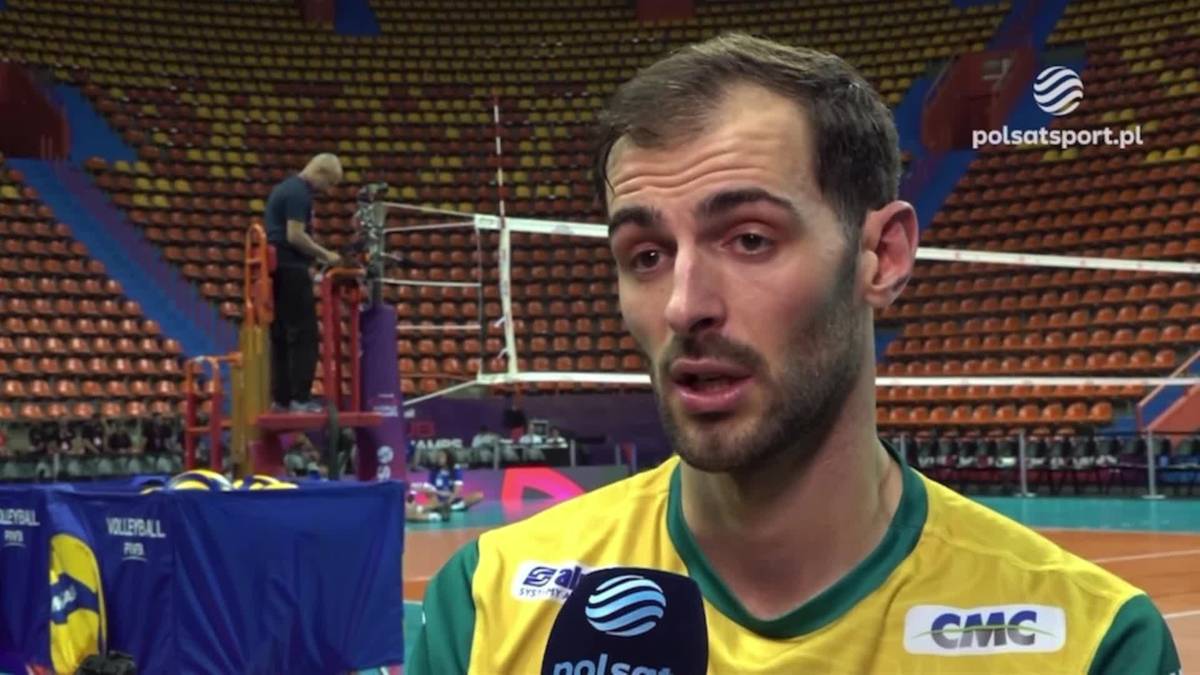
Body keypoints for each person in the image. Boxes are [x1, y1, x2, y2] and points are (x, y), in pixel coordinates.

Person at [409, 34, 1179, 674]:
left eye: (750, 239)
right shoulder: (484, 603)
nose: (683, 304)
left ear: (881, 256)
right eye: (646, 254)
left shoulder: (1096, 643)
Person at [265, 153, 344, 414]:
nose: (328, 190)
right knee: (305, 334)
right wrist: (326, 255)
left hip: (276, 269)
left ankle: (281, 399)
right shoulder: (299, 193)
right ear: (320, 172)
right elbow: (295, 236)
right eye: (329, 183)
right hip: (290, 268)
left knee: (281, 335)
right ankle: (300, 398)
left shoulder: (284, 189)